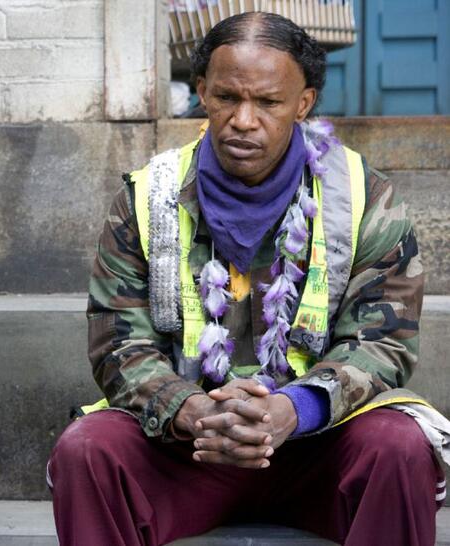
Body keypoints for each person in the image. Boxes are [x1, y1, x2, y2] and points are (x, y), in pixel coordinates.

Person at [48, 12, 448, 546]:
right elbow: (119, 345)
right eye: (226, 97)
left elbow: (380, 344)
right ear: (202, 94)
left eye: (268, 102)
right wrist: (192, 412)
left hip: (317, 449)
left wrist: (295, 409)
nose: (243, 120)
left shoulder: (362, 197)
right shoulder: (147, 198)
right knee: (86, 449)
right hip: (187, 450)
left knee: (398, 446)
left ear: (303, 104)